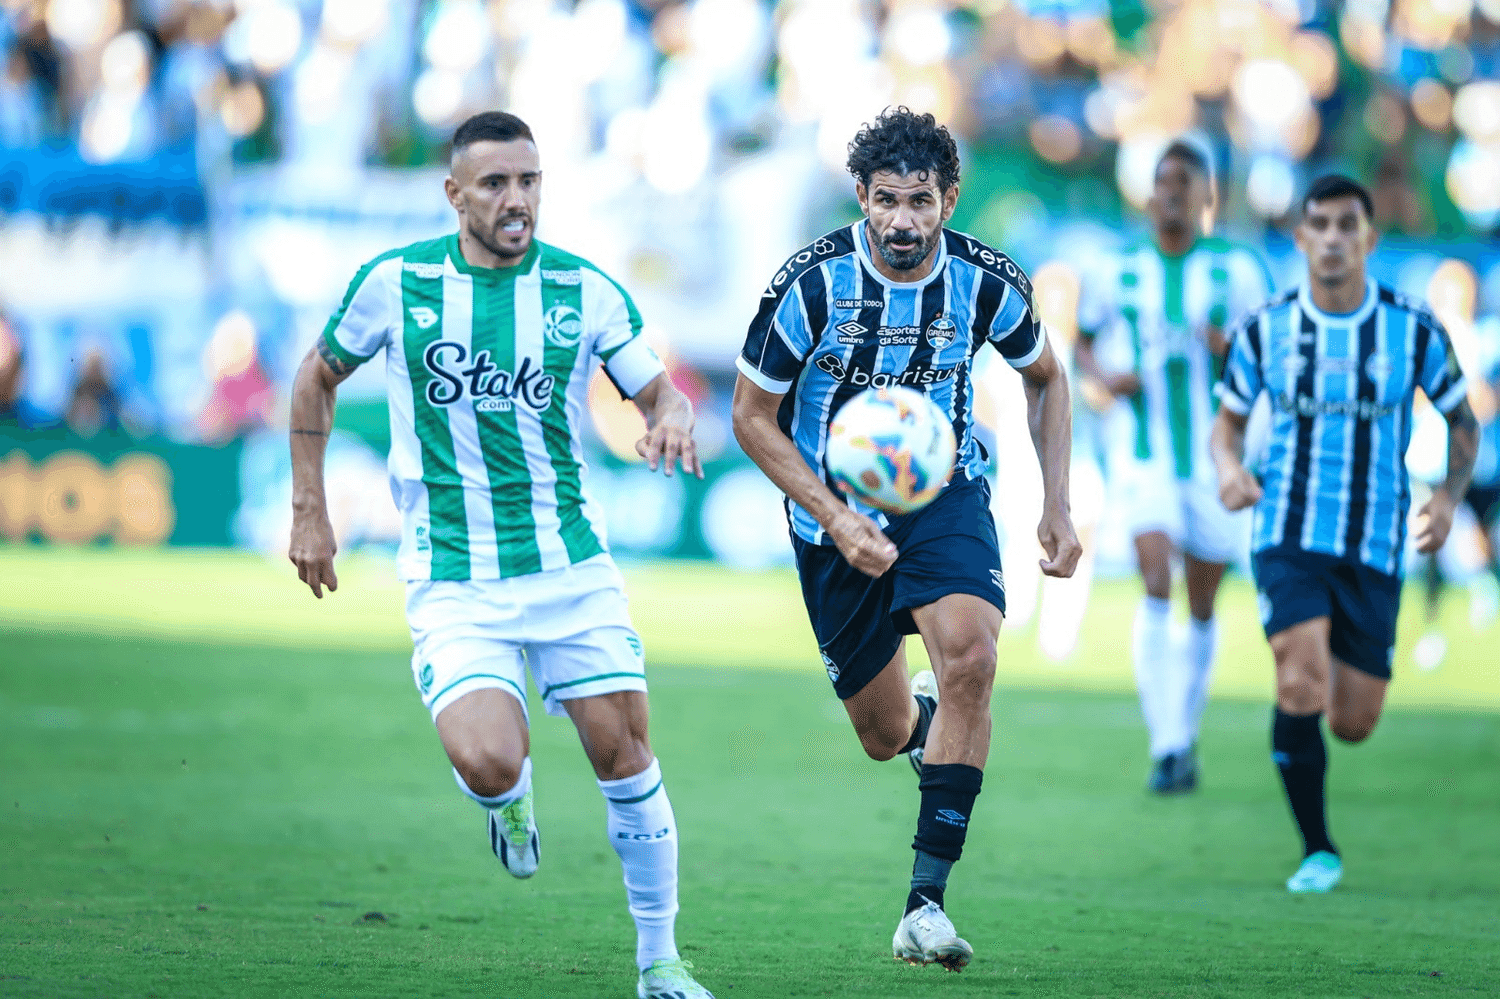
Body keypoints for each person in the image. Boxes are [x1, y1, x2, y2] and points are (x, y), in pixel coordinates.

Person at [287, 111, 715, 999]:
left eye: (528, 181)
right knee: (488, 760)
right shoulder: (396, 282)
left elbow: (660, 392)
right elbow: (316, 376)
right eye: (494, 184)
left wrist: (672, 417)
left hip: (568, 565)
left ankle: (661, 961)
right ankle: (509, 799)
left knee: (626, 753)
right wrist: (310, 509)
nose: (516, 199)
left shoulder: (584, 290)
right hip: (454, 572)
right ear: (455, 194)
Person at [731, 107, 1081, 970]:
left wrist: (1057, 503)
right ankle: (926, 722)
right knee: (884, 733)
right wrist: (836, 515)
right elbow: (751, 416)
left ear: (948, 201)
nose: (902, 220)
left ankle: (925, 904)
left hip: (942, 492)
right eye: (886, 200)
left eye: (920, 201)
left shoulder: (986, 281)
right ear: (861, 195)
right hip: (830, 516)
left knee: (972, 657)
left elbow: (1045, 377)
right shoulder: (810, 285)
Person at [1210, 174, 1478, 893]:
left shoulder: (1412, 328)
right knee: (1299, 675)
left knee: (1354, 721)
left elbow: (1464, 421)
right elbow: (1226, 425)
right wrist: (1229, 468)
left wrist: (1448, 499)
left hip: (1374, 542)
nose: (1332, 239)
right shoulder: (1266, 328)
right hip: (1287, 532)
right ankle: (1318, 849)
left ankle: (1321, 694)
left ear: (1369, 238)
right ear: (1301, 238)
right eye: (1320, 225)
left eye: (1346, 226)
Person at [1075, 140, 1273, 794]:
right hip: (1143, 452)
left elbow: (1271, 353)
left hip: (1215, 458)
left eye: (1185, 184)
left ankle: (1183, 734)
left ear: (1206, 196)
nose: (1172, 195)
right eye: (1163, 182)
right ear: (1149, 193)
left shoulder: (1236, 270)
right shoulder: (1118, 268)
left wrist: (1232, 350)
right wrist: (1105, 377)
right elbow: (1081, 341)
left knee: (1203, 604)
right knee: (1156, 577)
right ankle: (1166, 744)